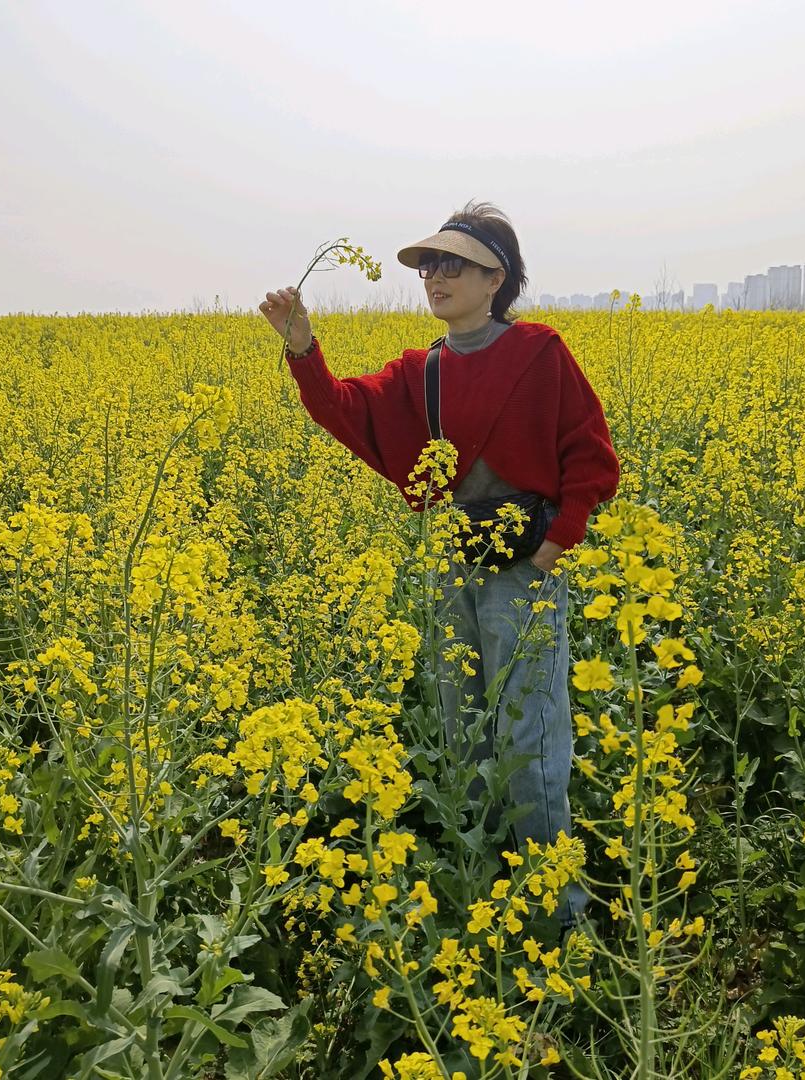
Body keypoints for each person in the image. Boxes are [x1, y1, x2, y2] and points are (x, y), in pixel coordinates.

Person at [260, 199, 620, 929]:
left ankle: (560, 917)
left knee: (531, 738)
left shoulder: (541, 353)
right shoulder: (420, 373)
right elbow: (342, 408)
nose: (435, 276)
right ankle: (491, 900)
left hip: (526, 568)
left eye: (453, 264)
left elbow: (591, 458)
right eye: (429, 264)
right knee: (466, 734)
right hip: (456, 567)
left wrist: (555, 548)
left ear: (498, 278)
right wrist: (303, 347)